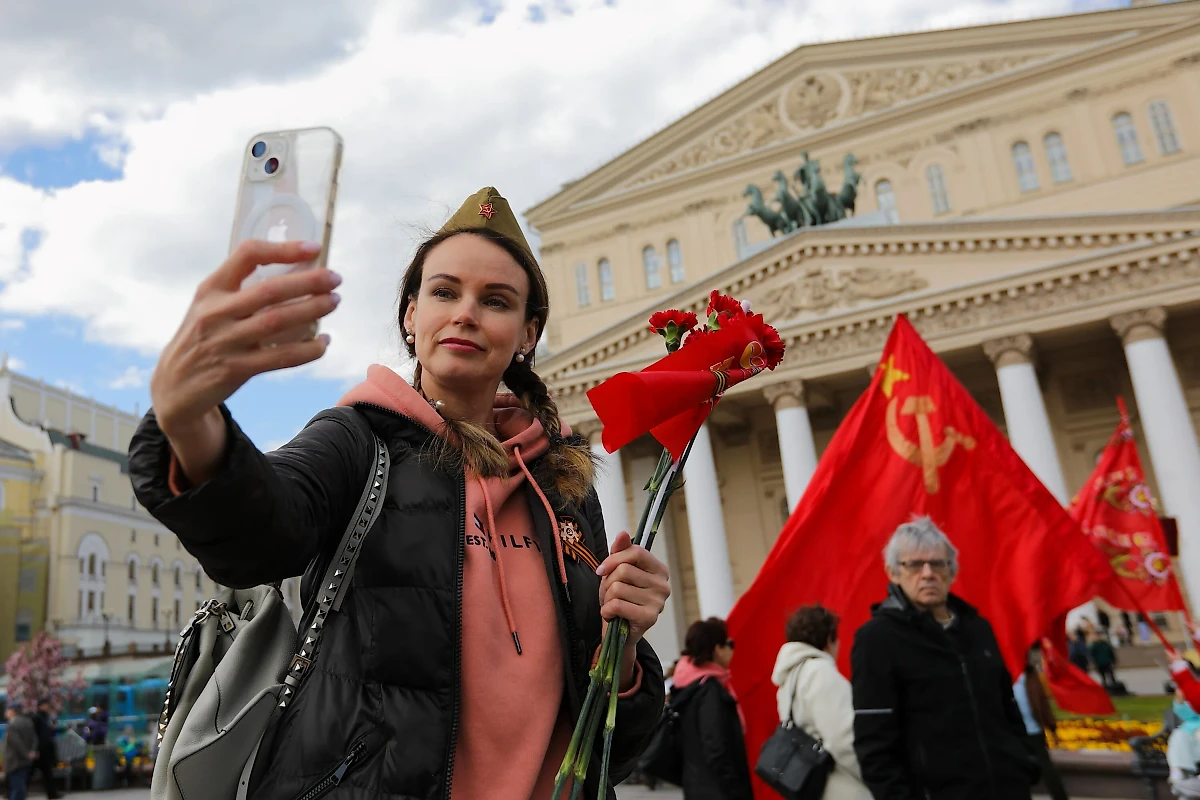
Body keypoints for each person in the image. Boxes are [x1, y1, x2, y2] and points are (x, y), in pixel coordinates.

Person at [128, 187, 668, 799]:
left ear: (527, 332)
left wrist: (622, 648)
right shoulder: (359, 439)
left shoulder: (563, 482)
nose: (466, 312)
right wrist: (190, 419)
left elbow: (614, 746)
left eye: (496, 300)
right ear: (411, 316)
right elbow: (263, 531)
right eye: (444, 292)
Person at [851, 517, 1038, 800]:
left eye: (937, 564)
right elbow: (874, 744)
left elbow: (1006, 708)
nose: (927, 574)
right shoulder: (877, 639)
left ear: (951, 571)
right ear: (893, 573)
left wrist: (1022, 764)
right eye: (914, 565)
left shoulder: (978, 629)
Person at [772, 604, 871, 800]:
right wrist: (878, 775)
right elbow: (844, 740)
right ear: (828, 640)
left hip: (814, 787)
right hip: (844, 789)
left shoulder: (790, 677)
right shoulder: (820, 672)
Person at [671, 618, 752, 800]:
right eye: (728, 644)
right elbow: (716, 748)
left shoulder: (688, 687)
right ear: (717, 649)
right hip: (718, 791)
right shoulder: (710, 691)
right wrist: (737, 791)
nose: (731, 649)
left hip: (696, 786)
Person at [1013, 649, 1069, 800]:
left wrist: (1052, 727)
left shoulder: (1030, 676)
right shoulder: (1004, 676)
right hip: (1015, 734)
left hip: (1034, 731)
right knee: (1017, 772)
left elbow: (1043, 703)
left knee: (1047, 769)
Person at [3, 703, 39, 800]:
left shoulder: (13, 724)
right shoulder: (28, 722)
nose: (5, 712)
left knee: (17, 789)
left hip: (13, 761)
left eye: (7, 710)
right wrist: (32, 751)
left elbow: (16, 742)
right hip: (25, 762)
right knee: (20, 787)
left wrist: (26, 754)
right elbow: (34, 738)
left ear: (13, 711)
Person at [1168, 687, 1200, 796]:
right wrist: (1180, 701)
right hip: (1192, 732)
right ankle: (1177, 773)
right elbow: (1189, 715)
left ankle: (1185, 786)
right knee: (1179, 735)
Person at [30, 698, 61, 800]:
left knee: (47, 773)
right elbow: (35, 735)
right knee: (29, 773)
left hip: (45, 751)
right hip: (40, 751)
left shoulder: (45, 718)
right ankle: (15, 792)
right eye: (46, 705)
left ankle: (52, 794)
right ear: (40, 706)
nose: (48, 707)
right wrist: (35, 749)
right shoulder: (37, 718)